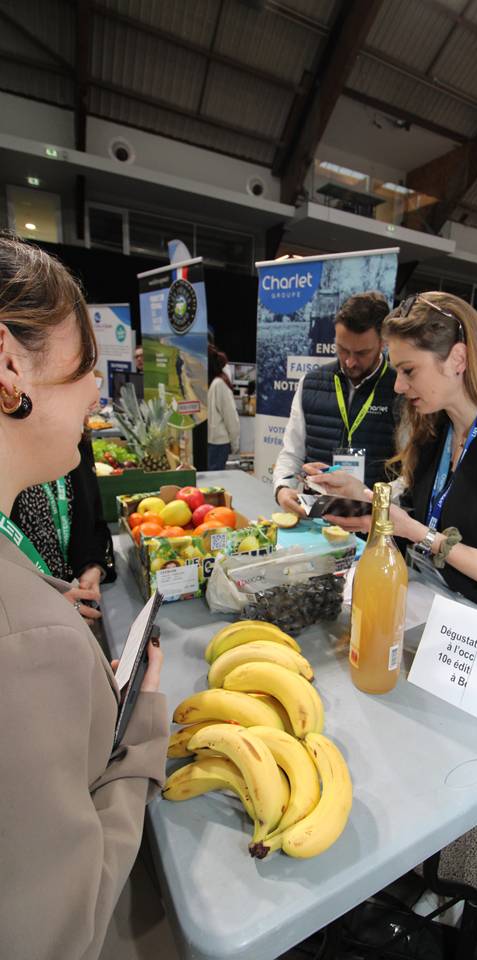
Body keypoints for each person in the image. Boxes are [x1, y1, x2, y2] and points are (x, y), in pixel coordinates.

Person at [0, 233, 167, 959]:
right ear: (9, 365)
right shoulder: (24, 639)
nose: (98, 389)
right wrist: (142, 731)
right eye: (85, 363)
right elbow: (62, 931)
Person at [313, 291, 477, 634]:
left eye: (409, 371)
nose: (399, 386)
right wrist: (361, 496)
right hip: (435, 608)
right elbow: (418, 510)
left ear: (457, 359)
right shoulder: (435, 425)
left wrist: (418, 533)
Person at [273, 291, 398, 516]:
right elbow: (292, 452)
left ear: (383, 343)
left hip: (371, 521)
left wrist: (373, 501)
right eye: (342, 349)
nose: (350, 362)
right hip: (316, 519)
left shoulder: (401, 390)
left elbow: (410, 475)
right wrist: (282, 488)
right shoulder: (310, 383)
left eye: (362, 353)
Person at [11, 435, 116, 622]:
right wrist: (47, 602)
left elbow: (94, 521)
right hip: (28, 621)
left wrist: (93, 565)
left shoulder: (76, 443)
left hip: (74, 609)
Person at [207, 346, 240, 470]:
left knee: (215, 476)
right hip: (216, 442)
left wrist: (235, 443)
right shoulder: (217, 383)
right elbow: (231, 416)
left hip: (217, 443)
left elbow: (230, 417)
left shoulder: (218, 383)